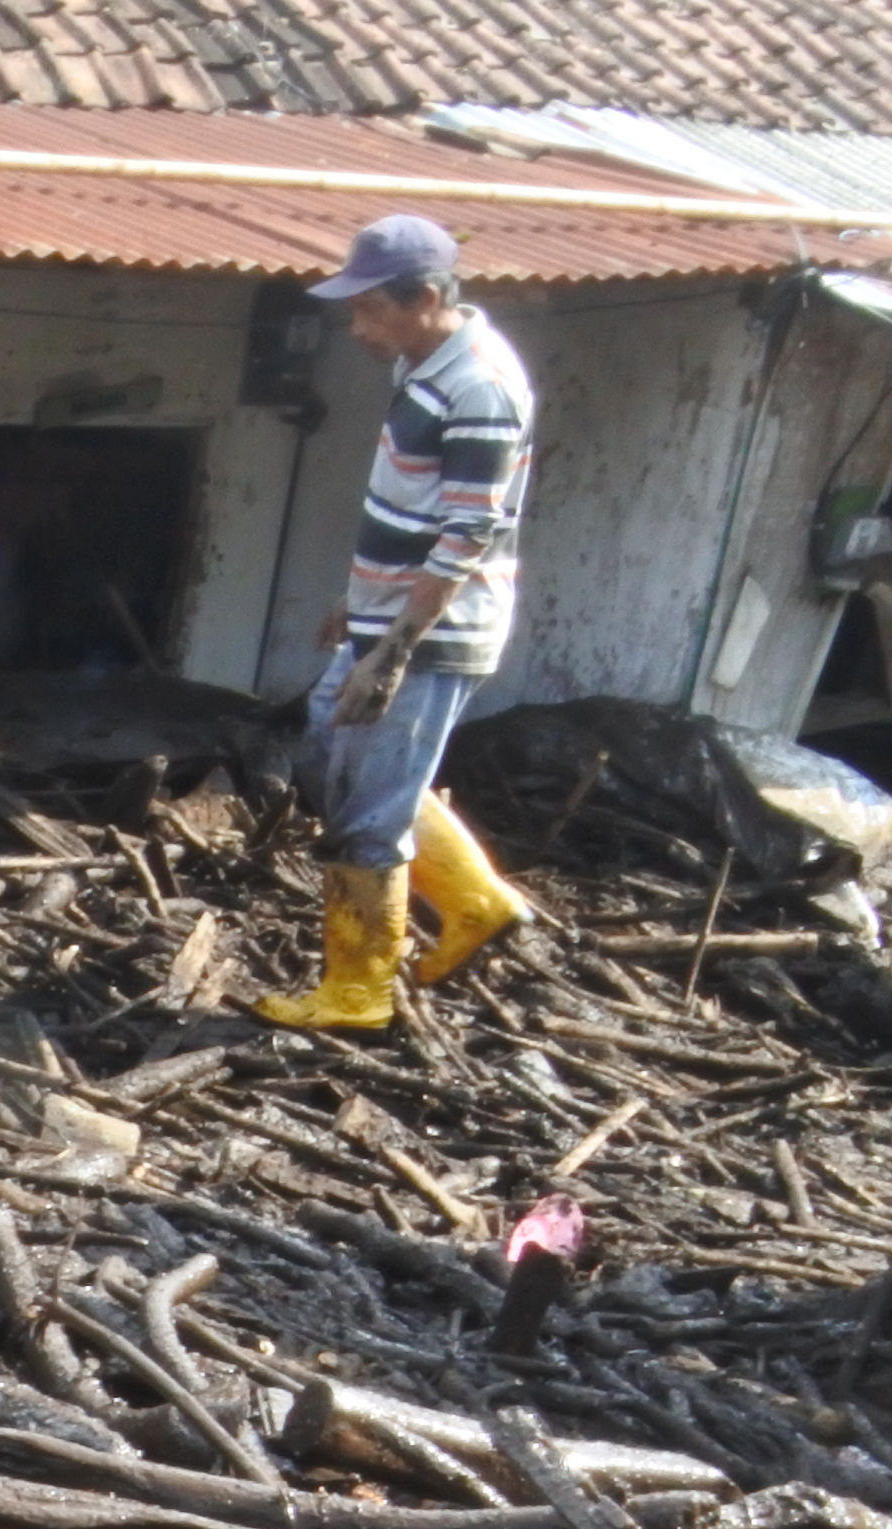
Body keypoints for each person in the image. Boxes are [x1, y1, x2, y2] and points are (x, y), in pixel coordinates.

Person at [259, 215, 542, 1031]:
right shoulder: (426, 364)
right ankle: (475, 898)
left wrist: (393, 648)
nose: (357, 328)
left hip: (426, 637)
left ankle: (359, 988)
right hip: (387, 620)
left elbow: (467, 533)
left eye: (370, 310)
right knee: (329, 754)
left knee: (365, 810)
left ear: (423, 298)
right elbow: (415, 509)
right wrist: (363, 604)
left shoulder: (479, 385)